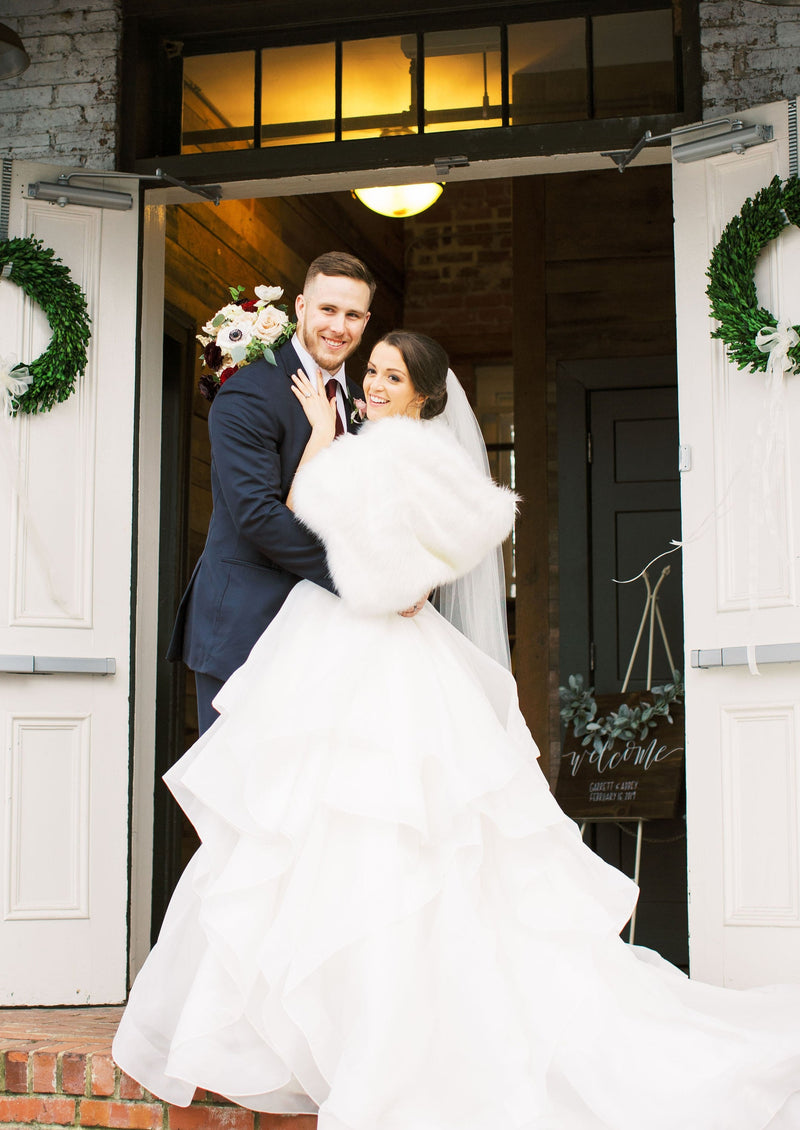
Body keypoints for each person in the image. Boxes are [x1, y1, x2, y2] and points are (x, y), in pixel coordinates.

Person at [115, 332, 800, 1129]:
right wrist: (332, 441)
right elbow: (313, 516)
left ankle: (380, 1045)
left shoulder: (405, 460)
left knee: (380, 840)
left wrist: (355, 503)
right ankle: (340, 1035)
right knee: (329, 841)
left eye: (391, 376)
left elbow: (393, 580)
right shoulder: (373, 448)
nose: (373, 383)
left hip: (370, 657)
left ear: (426, 397)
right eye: (370, 370)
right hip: (337, 649)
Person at [167, 251, 375, 734]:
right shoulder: (249, 393)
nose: (338, 327)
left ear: (366, 321)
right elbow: (258, 515)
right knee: (235, 798)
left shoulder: (358, 402)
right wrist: (363, 580)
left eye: (352, 315)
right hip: (247, 629)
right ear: (300, 307)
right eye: (327, 310)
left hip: (325, 638)